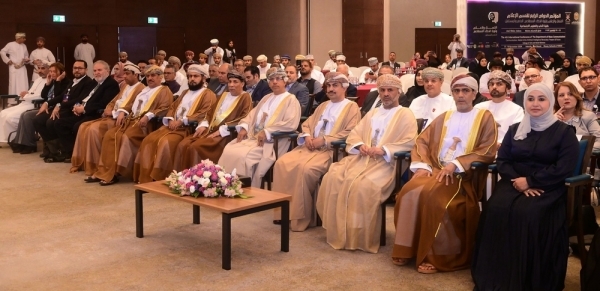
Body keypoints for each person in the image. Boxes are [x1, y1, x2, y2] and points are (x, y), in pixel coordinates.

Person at [471, 83, 579, 290]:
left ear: (550, 102)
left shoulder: (564, 132)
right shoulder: (515, 130)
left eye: (541, 99)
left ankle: (527, 279)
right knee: (494, 208)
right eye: (530, 99)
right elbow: (503, 161)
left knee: (528, 213)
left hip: (548, 186)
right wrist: (519, 181)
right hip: (513, 182)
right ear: (525, 102)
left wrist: (531, 182)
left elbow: (564, 166)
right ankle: (497, 276)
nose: (535, 104)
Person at [392, 75, 498, 274]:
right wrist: (423, 165)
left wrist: (456, 164)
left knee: (435, 200)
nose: (460, 95)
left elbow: (488, 149)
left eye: (465, 91)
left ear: (474, 94)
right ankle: (407, 247)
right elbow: (422, 141)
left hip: (462, 177)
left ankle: (437, 255)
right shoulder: (444, 117)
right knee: (408, 192)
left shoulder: (484, 117)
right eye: (457, 91)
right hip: (435, 171)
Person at [316, 74, 418, 254]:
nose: (386, 94)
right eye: (382, 90)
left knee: (363, 185)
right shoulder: (372, 112)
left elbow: (410, 141)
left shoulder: (406, 114)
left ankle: (360, 234)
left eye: (390, 90)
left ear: (398, 92)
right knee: (334, 175)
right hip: (361, 159)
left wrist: (384, 150)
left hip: (387, 164)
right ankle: (341, 230)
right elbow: (355, 134)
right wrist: (360, 145)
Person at [272, 72, 360, 231]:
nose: (331, 89)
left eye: (335, 85)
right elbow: (307, 124)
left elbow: (351, 132)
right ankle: (282, 213)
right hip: (309, 147)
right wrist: (306, 137)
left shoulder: (351, 107)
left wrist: (325, 140)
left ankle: (300, 217)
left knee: (306, 170)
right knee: (282, 163)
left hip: (331, 151)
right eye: (329, 85)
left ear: (344, 88)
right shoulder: (323, 105)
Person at [217, 69, 301, 188]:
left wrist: (267, 131)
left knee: (243, 156)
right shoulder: (266, 97)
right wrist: (244, 127)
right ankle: (224, 186)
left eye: (278, 79)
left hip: (271, 142)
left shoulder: (291, 99)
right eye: (271, 79)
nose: (274, 82)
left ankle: (243, 189)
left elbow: (290, 123)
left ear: (285, 81)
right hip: (252, 138)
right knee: (229, 149)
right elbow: (251, 115)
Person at [133, 65, 217, 183]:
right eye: (190, 76)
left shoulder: (208, 94)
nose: (192, 79)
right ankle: (145, 175)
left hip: (187, 128)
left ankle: (161, 176)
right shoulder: (184, 92)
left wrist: (182, 121)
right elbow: (173, 107)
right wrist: (171, 119)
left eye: (196, 76)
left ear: (203, 78)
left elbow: (204, 113)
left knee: (165, 142)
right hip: (171, 126)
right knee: (149, 139)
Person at [92, 65, 173, 185]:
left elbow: (165, 107)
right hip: (131, 121)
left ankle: (119, 171)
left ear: (160, 77)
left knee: (125, 137)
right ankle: (105, 171)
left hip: (145, 125)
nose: (150, 78)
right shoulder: (144, 90)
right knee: (110, 135)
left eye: (153, 75)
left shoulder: (164, 90)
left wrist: (148, 116)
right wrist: (122, 111)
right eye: (148, 76)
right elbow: (131, 104)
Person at [70, 64, 145, 176]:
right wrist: (108, 109)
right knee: (83, 127)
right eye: (124, 73)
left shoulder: (141, 88)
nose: (124, 76)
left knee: (93, 130)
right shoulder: (125, 86)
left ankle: (96, 165)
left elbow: (132, 106)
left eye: (128, 74)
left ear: (136, 75)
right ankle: (84, 163)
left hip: (121, 119)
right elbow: (114, 100)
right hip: (110, 115)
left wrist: (115, 112)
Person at [174, 70, 252, 171]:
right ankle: (183, 177)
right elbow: (209, 112)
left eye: (235, 82)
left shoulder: (245, 97)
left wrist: (221, 130)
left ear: (242, 84)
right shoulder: (223, 95)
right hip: (209, 130)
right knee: (183, 144)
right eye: (230, 82)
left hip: (226, 134)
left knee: (196, 147)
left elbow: (245, 118)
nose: (231, 85)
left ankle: (199, 178)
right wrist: (203, 124)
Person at [50, 60, 121, 162]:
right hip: (83, 110)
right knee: (59, 123)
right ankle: (71, 152)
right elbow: (85, 98)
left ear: (108, 71)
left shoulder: (111, 84)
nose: (97, 73)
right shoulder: (96, 82)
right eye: (95, 70)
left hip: (95, 113)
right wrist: (77, 106)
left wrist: (84, 109)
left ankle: (80, 155)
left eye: (99, 70)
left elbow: (103, 103)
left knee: (77, 126)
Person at [33, 60, 96, 162]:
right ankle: (54, 151)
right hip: (63, 108)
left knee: (51, 122)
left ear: (86, 70)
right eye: (75, 68)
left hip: (72, 110)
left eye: (80, 68)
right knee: (37, 120)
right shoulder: (73, 81)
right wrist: (47, 103)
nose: (77, 70)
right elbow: (62, 96)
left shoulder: (88, 82)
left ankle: (62, 151)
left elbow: (79, 99)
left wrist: (59, 106)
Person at [11, 62, 67, 155]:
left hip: (55, 108)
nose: (52, 73)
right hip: (46, 107)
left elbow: (59, 96)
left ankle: (30, 145)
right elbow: (43, 95)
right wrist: (48, 84)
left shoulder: (66, 82)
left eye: (55, 71)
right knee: (24, 115)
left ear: (62, 72)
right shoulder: (51, 81)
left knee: (28, 116)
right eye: (51, 71)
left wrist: (57, 81)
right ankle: (23, 143)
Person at [0, 63, 48, 146]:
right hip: (25, 103)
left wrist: (26, 95)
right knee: (2, 113)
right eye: (39, 68)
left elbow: (40, 96)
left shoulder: (49, 81)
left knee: (10, 117)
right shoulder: (38, 80)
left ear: (49, 69)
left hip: (34, 105)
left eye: (43, 68)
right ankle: (6, 139)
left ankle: (17, 139)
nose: (40, 71)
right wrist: (25, 94)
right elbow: (31, 92)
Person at [474, 71, 524, 143]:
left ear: (507, 88)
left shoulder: (516, 110)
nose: (494, 87)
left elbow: (517, 135)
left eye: (499, 84)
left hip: (506, 148)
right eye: (491, 84)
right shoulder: (479, 107)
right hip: (481, 147)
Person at [554, 81, 600, 150]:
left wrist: (576, 150)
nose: (566, 97)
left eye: (570, 94)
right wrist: (552, 122)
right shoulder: (551, 119)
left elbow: (599, 141)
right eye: (561, 95)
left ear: (576, 97)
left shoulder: (588, 116)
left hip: (579, 158)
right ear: (556, 100)